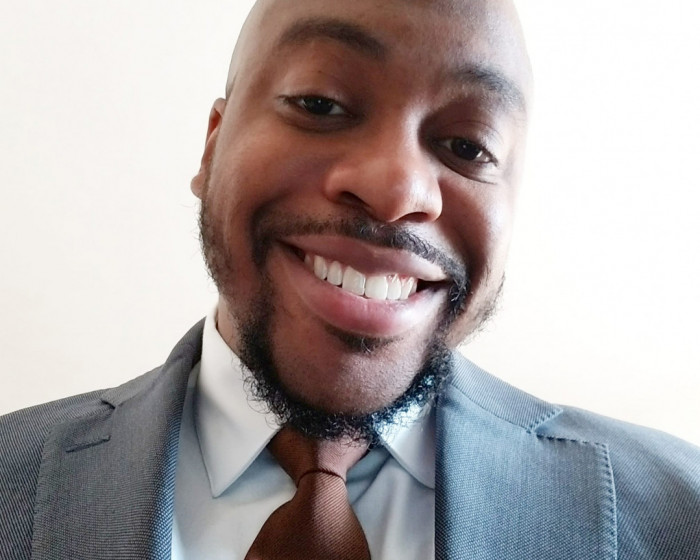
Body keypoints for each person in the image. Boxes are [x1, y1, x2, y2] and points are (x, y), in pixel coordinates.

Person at [1, 0, 698, 558]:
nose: (395, 190)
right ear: (212, 147)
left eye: (467, 145)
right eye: (320, 104)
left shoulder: (681, 514)